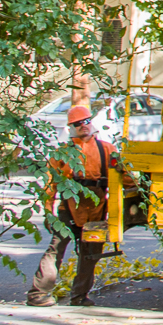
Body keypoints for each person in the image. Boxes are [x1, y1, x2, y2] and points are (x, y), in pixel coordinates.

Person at [27, 104, 119, 306]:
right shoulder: (62, 154)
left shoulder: (107, 150)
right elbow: (50, 185)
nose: (83, 126)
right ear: (71, 128)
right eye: (78, 124)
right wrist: (48, 212)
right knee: (55, 250)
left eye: (86, 121)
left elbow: (124, 180)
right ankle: (38, 295)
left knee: (91, 253)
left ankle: (79, 296)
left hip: (96, 213)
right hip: (68, 212)